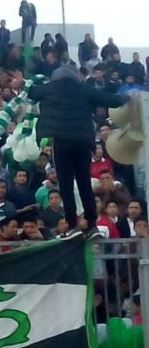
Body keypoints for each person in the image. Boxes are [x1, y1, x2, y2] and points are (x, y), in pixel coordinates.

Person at [33, 65, 128, 235]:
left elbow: (31, 94)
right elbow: (112, 100)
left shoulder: (49, 88)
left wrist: (30, 82)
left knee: (66, 185)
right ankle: (91, 223)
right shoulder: (84, 88)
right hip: (83, 141)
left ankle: (71, 224)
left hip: (61, 141)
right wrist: (126, 97)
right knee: (84, 183)